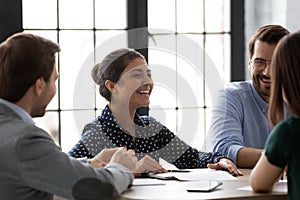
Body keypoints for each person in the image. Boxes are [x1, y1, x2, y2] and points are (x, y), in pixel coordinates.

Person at [0, 32, 138, 200]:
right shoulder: (24, 139)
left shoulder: (9, 133)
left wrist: (91, 163)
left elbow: (37, 165)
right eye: (55, 80)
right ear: (39, 85)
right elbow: (99, 188)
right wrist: (122, 167)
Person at [68, 48, 242, 176]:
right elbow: (65, 173)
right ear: (112, 86)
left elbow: (192, 158)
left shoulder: (150, 127)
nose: (148, 82)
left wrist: (219, 160)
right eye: (137, 75)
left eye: (148, 74)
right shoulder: (97, 132)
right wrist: (129, 171)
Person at [207, 25, 289, 168]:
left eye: (276, 63)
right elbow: (224, 149)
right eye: (260, 62)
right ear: (249, 63)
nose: (267, 72)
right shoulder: (231, 96)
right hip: (243, 188)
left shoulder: (295, 98)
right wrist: (284, 158)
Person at [249, 30, 300, 200]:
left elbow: (258, 183)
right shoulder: (232, 95)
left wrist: (277, 156)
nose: (268, 73)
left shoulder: (288, 132)